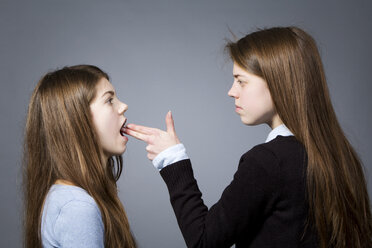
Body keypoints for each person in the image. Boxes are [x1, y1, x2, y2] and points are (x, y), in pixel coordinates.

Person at [124, 27, 372, 247]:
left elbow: (203, 240)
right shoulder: (343, 156)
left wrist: (172, 159)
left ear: (278, 83)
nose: (232, 92)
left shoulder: (268, 161)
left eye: (241, 81)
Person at [23, 65, 136, 248]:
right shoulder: (77, 207)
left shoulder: (64, 196)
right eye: (109, 100)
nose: (123, 106)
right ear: (77, 118)